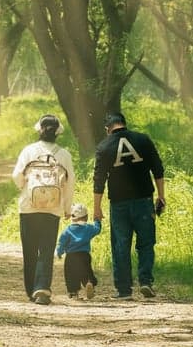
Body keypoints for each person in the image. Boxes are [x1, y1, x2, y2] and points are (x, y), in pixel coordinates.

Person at [93, 111, 165, 300]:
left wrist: (97, 207)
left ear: (107, 129)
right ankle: (145, 281)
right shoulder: (143, 140)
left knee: (120, 246)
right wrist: (161, 196)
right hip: (144, 200)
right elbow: (157, 168)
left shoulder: (104, 146)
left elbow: (99, 180)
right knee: (146, 243)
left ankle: (124, 290)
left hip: (119, 203)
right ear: (124, 123)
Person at [12, 113, 75, 305]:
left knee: (29, 250)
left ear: (39, 130)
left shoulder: (28, 151)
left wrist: (24, 187)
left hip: (28, 207)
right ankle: (42, 288)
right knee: (46, 250)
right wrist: (66, 208)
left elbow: (16, 176)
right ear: (58, 132)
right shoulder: (64, 154)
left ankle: (31, 290)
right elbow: (69, 183)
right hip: (52, 209)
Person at [56, 202, 101, 300]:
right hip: (84, 254)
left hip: (71, 256)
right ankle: (89, 283)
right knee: (86, 271)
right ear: (86, 217)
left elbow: (61, 242)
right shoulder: (88, 228)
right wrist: (97, 220)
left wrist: (59, 252)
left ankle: (73, 292)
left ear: (72, 217)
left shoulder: (68, 230)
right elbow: (97, 229)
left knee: (71, 274)